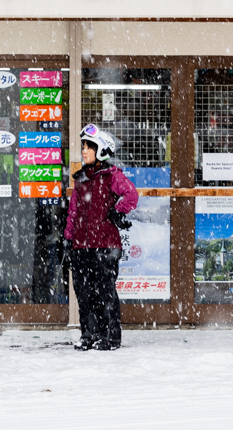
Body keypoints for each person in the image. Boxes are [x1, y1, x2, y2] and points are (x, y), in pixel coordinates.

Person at [64, 124, 138, 351]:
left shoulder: (112, 176)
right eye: (84, 146)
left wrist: (118, 211)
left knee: (105, 292)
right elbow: (73, 212)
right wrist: (68, 240)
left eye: (88, 147)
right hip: (81, 245)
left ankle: (111, 336)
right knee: (84, 293)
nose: (84, 151)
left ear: (101, 150)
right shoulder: (81, 179)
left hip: (105, 244)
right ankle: (89, 334)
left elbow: (131, 194)